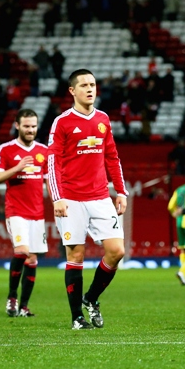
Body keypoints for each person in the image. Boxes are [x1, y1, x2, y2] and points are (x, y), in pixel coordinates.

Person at [47, 69, 128, 330]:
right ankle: (76, 318)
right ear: (72, 91)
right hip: (71, 199)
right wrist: (57, 198)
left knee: (117, 251)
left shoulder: (103, 119)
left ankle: (91, 299)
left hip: (100, 197)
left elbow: (112, 157)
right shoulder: (62, 122)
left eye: (92, 84)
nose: (90, 89)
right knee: (76, 254)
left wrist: (121, 191)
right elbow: (53, 161)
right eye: (84, 85)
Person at [0, 109, 48, 317]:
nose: (31, 130)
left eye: (33, 126)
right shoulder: (5, 150)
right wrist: (18, 167)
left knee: (32, 259)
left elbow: (51, 181)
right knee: (22, 251)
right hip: (16, 211)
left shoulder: (44, 151)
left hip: (37, 213)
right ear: (17, 125)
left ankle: (24, 306)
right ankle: (12, 296)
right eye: (26, 126)